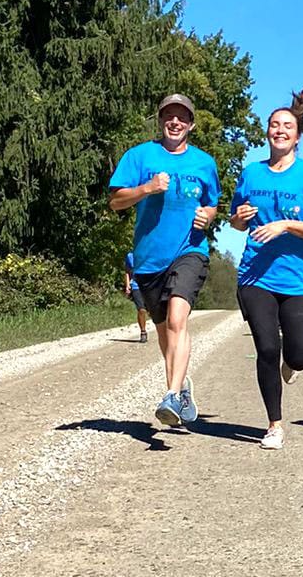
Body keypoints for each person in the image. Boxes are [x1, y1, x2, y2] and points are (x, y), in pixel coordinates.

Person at [228, 89, 303, 450]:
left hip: (296, 278)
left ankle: (291, 367)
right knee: (266, 349)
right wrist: (239, 219)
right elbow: (235, 221)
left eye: (286, 125)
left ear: (298, 135)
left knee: (299, 356)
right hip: (254, 276)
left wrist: (287, 226)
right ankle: (274, 425)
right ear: (267, 132)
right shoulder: (250, 173)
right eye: (274, 124)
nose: (279, 130)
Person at [108, 93, 220, 427]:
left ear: (191, 124)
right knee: (163, 331)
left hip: (190, 250)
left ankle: (171, 395)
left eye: (182, 117)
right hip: (148, 259)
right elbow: (115, 201)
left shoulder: (204, 163)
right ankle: (182, 385)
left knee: (176, 320)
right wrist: (147, 189)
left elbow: (213, 204)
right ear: (160, 121)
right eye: (169, 116)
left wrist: (208, 217)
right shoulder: (140, 156)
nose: (175, 122)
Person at [123, 251, 148, 343]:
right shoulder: (130, 256)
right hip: (136, 285)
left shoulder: (148, 252)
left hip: (148, 285)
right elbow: (127, 271)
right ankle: (143, 332)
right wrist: (127, 285)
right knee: (141, 309)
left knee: (152, 309)